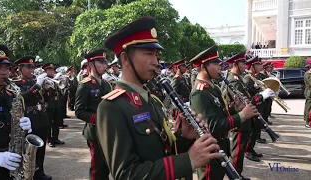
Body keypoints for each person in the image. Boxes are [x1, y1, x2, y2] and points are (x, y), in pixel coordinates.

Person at [96, 16, 223, 180]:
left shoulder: (151, 99)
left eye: (156, 55)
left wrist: (184, 136)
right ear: (126, 58)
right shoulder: (111, 106)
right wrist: (188, 160)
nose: (156, 62)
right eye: (149, 54)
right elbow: (126, 174)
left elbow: (162, 149)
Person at [190, 45, 259, 180]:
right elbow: (212, 125)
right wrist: (242, 115)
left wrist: (235, 108)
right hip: (210, 149)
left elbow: (220, 113)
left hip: (220, 145)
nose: (220, 67)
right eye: (216, 64)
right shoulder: (199, 92)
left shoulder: (212, 87)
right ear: (203, 67)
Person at [223, 51, 274, 180]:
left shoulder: (238, 79)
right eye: (243, 63)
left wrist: (257, 91)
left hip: (245, 119)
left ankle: (237, 174)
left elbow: (247, 96)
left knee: (239, 151)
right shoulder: (233, 81)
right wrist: (260, 96)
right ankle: (234, 176)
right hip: (240, 120)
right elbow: (244, 103)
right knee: (237, 152)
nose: (246, 66)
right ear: (235, 64)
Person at [0, 44, 32, 180]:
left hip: (11, 162)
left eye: (7, 68)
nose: (4, 72)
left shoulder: (11, 94)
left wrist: (25, 127)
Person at [75, 49, 112, 180]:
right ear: (91, 65)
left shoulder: (106, 84)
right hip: (95, 132)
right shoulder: (84, 85)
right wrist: (99, 119)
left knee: (107, 165)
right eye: (101, 63)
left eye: (105, 62)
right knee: (98, 168)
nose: (105, 66)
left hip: (108, 131)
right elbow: (79, 111)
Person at [14, 56, 52, 180]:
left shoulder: (36, 81)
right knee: (30, 150)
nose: (32, 69)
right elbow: (22, 98)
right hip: (29, 119)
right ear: (20, 69)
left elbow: (45, 99)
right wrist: (37, 86)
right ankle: (29, 172)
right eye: (28, 67)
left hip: (42, 118)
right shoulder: (16, 84)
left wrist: (48, 90)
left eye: (33, 67)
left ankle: (39, 172)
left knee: (41, 149)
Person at [42, 63, 65, 147]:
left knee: (57, 121)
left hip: (57, 103)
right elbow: (43, 92)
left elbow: (62, 89)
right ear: (45, 71)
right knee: (48, 122)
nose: (52, 71)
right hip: (49, 103)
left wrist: (61, 81)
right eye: (49, 70)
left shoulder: (56, 78)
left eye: (52, 70)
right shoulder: (43, 80)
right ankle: (49, 139)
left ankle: (55, 138)